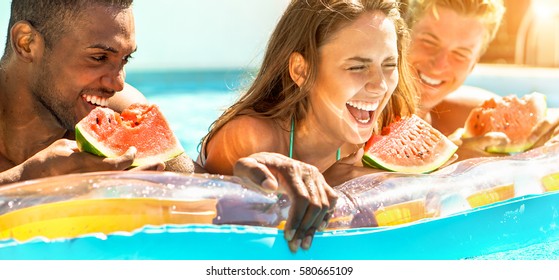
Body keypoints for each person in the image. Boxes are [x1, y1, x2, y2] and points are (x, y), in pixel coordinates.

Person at [0, 0, 335, 253]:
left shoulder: (121, 109)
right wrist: (28, 180)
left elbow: (198, 187)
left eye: (125, 60)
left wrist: (247, 175)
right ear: (27, 43)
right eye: (99, 58)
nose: (118, 83)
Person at [199, 0, 417, 197]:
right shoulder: (247, 139)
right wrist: (330, 186)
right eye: (357, 67)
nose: (380, 85)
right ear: (301, 70)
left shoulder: (378, 137)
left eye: (389, 65)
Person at [405, 0, 559, 159]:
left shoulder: (461, 113)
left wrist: (548, 126)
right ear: (401, 38)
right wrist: (445, 164)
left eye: (461, 54)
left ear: (473, 64)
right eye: (429, 42)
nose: (439, 65)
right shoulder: (377, 120)